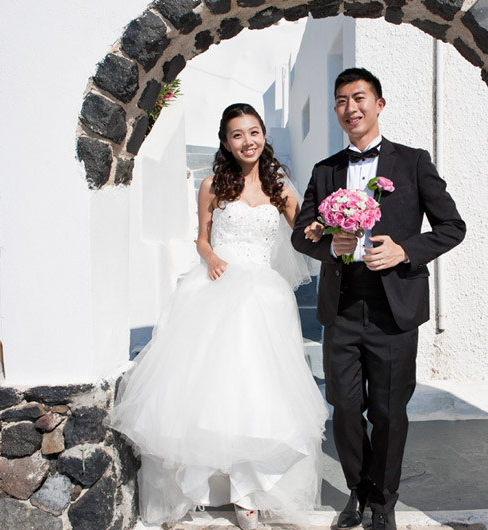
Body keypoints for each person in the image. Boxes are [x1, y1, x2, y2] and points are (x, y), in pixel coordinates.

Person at [109, 103, 328, 529]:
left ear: (264, 135)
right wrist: (210, 258)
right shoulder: (212, 185)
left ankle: (249, 494)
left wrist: (330, 225)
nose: (248, 141)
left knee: (260, 393)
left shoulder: (280, 188)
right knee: (209, 392)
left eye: (254, 132)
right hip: (215, 288)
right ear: (225, 142)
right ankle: (205, 487)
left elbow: (304, 232)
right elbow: (202, 239)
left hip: (264, 298)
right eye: (237, 134)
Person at [291, 68, 466, 530]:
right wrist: (330, 246)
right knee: (346, 408)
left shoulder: (413, 162)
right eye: (342, 101)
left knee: (389, 411)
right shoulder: (325, 170)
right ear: (336, 110)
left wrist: (405, 250)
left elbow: (452, 227)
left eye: (360, 98)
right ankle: (357, 490)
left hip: (395, 309)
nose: (351, 108)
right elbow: (301, 233)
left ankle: (384, 500)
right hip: (342, 306)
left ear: (379, 104)